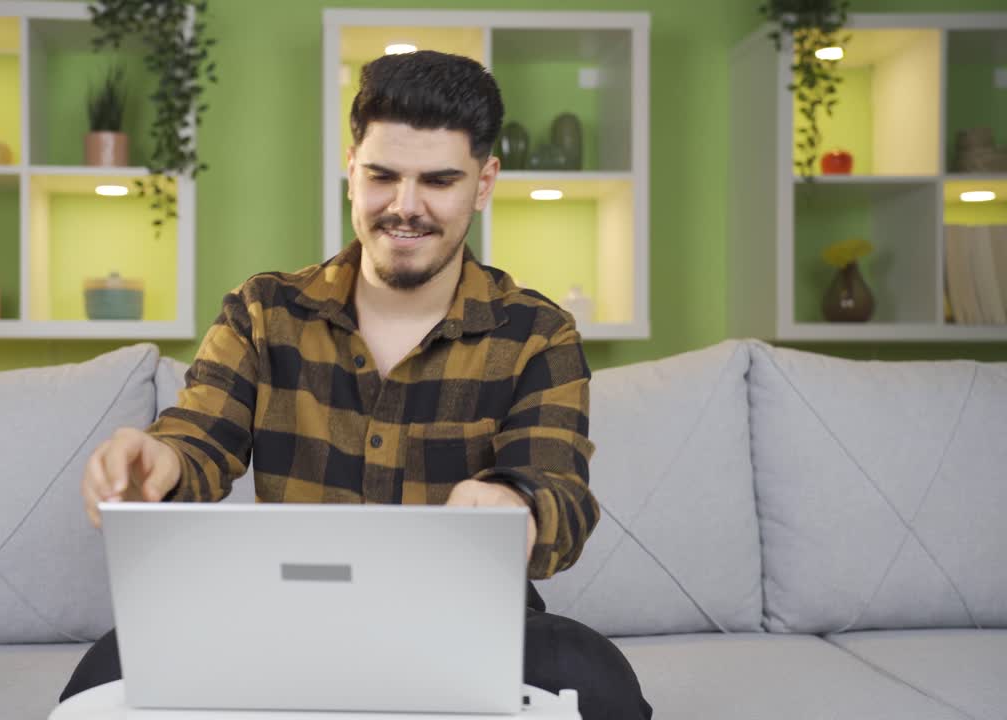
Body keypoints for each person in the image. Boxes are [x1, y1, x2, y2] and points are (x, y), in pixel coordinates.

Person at [65, 50, 652, 720]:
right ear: (351, 169)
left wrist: (516, 507)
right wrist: (160, 463)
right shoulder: (264, 311)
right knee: (103, 674)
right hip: (282, 617)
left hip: (474, 626)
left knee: (599, 678)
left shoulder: (538, 333)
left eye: (438, 180)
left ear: (483, 183)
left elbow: (559, 488)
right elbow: (199, 436)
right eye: (382, 176)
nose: (405, 208)